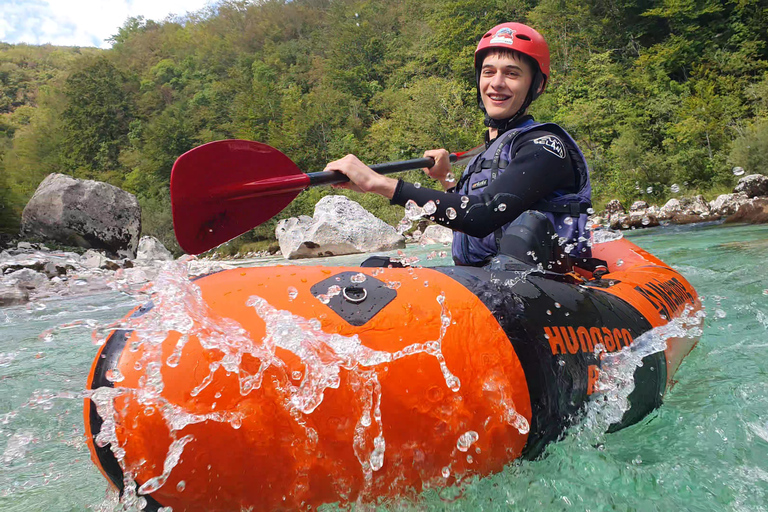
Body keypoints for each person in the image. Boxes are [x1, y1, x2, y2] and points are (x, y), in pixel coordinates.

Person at [325, 22, 592, 268]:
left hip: (543, 289)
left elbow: (483, 215)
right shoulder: (488, 151)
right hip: (486, 279)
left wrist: (376, 183)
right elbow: (466, 209)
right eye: (489, 72)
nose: (496, 83)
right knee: (375, 267)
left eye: (512, 74)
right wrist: (446, 178)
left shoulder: (545, 146)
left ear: (538, 85)